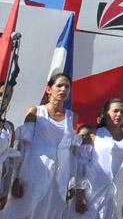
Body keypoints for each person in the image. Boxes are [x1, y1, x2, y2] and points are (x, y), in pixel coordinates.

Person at [6, 73, 85, 218]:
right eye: (59, 85)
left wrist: (72, 181)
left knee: (52, 212)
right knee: (24, 210)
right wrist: (17, 176)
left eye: (67, 86)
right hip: (34, 172)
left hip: (61, 175)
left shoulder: (72, 117)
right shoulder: (36, 111)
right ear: (49, 89)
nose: (63, 89)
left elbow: (72, 152)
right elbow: (23, 146)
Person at [78, 97, 123, 219]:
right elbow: (80, 164)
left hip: (119, 191)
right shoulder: (94, 135)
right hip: (94, 189)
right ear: (106, 113)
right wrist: (80, 191)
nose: (119, 114)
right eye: (115, 111)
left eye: (122, 111)